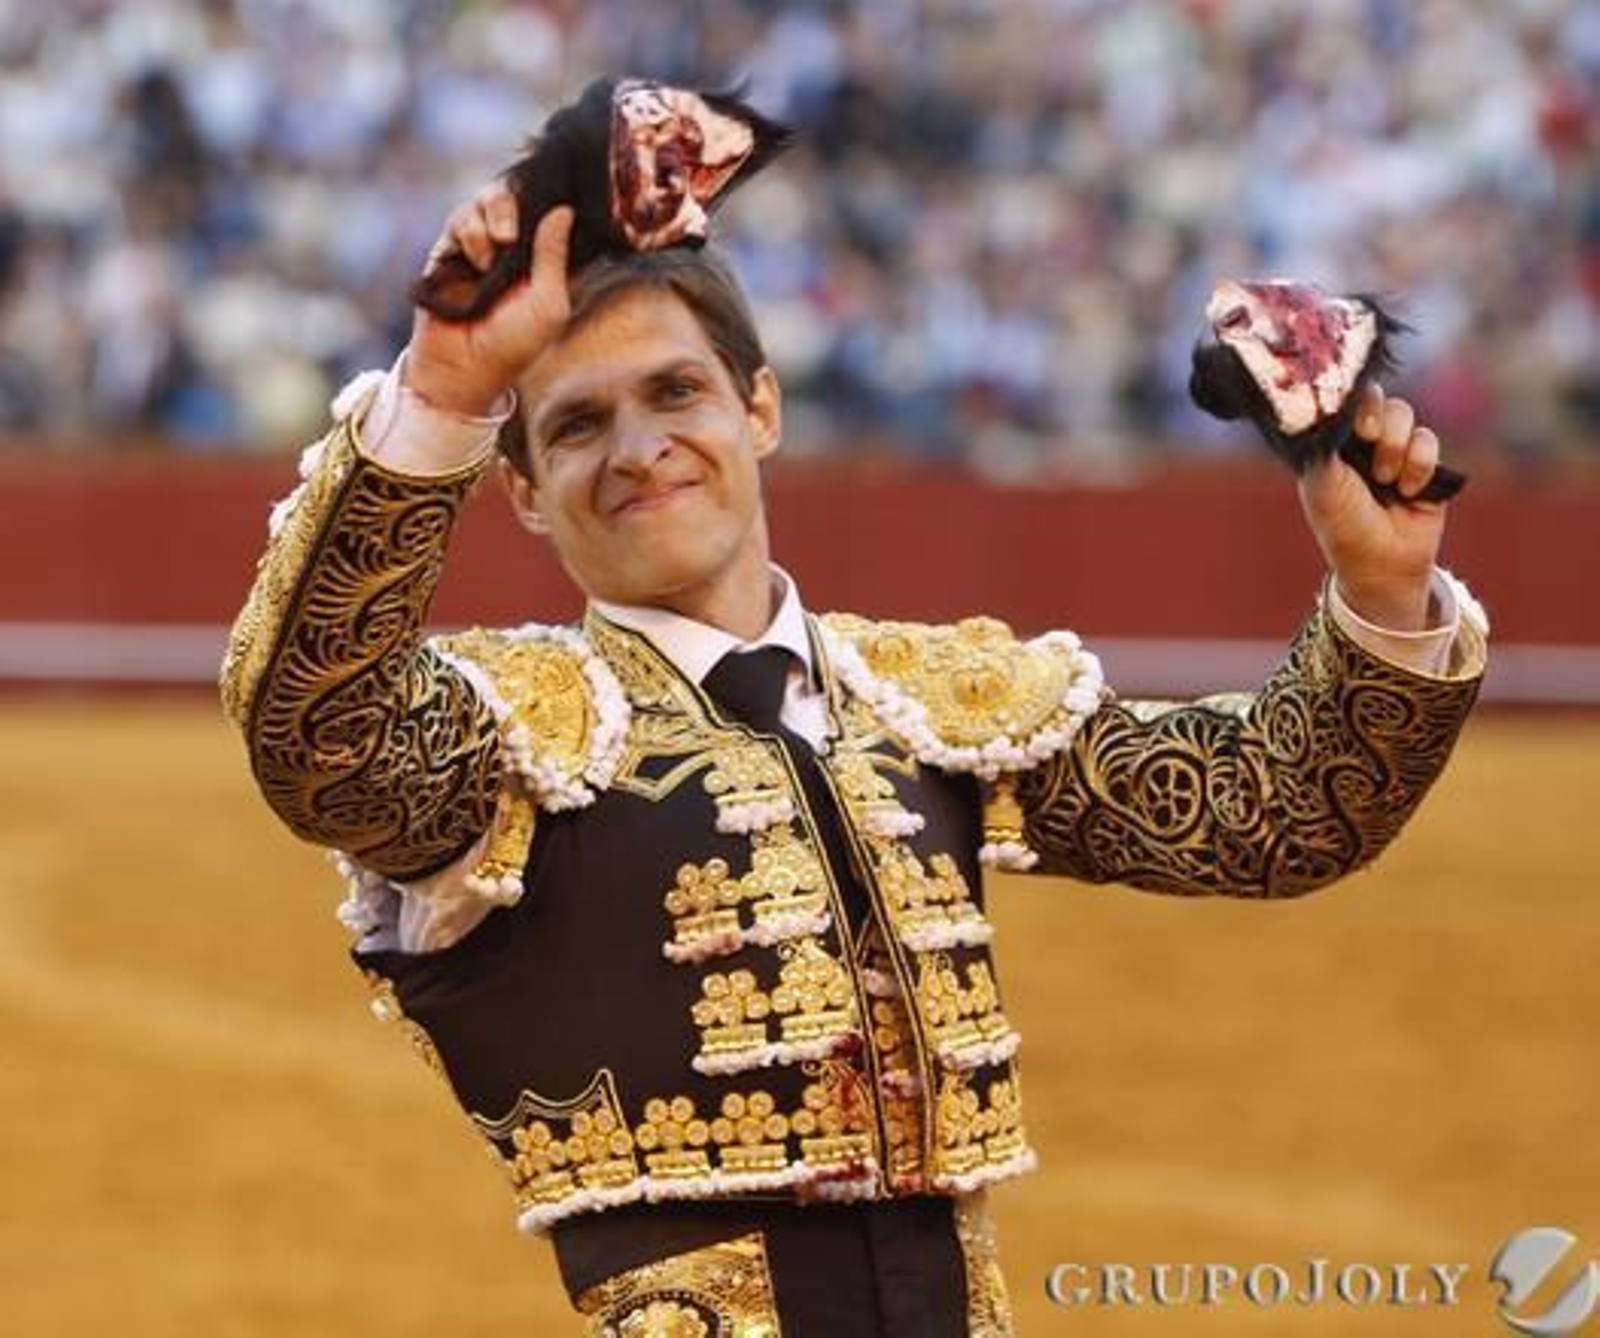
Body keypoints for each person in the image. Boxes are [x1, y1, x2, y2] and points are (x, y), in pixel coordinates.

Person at [221, 175, 1487, 1335]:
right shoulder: (511, 730)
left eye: (675, 392)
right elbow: (317, 730)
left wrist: (1380, 592)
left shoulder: (930, 697)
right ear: (528, 494)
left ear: (758, 408)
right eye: (576, 426)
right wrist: (443, 397)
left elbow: (1269, 810)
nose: (639, 448)